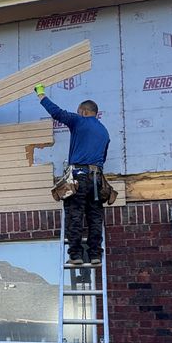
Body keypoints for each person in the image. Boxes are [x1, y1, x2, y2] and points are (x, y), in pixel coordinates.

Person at [36, 86, 111, 266]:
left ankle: (76, 255)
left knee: (75, 214)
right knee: (94, 217)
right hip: (97, 179)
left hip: (79, 176)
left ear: (84, 112)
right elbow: (103, 158)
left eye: (79, 112)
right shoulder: (104, 132)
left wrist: (41, 94)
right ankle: (95, 255)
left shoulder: (79, 121)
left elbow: (57, 113)